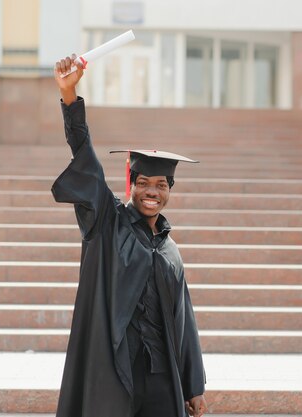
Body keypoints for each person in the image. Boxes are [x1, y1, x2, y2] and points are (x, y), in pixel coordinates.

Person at [51, 54, 207, 417]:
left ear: (169, 189)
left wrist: (193, 385)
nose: (152, 191)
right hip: (114, 373)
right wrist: (70, 97)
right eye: (144, 183)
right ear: (131, 185)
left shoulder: (170, 250)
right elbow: (84, 158)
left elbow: (185, 320)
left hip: (161, 376)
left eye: (160, 185)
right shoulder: (107, 225)